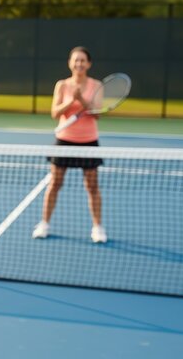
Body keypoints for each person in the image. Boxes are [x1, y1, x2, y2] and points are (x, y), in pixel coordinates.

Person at [31, 46, 107, 243]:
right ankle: (44, 224)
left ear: (88, 64)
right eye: (76, 60)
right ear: (70, 63)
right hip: (64, 140)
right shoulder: (62, 85)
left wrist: (82, 100)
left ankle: (97, 227)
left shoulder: (96, 85)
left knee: (92, 186)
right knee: (55, 183)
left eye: (83, 60)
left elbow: (97, 114)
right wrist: (71, 102)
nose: (79, 64)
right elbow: (55, 113)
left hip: (88, 141)